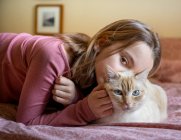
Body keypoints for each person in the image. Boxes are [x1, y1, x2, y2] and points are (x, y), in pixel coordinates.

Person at [0, 19, 161, 126]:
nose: (125, 77)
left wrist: (75, 97)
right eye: (124, 60)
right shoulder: (52, 55)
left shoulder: (96, 74)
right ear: (102, 42)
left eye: (135, 75)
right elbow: (27, 122)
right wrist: (84, 110)